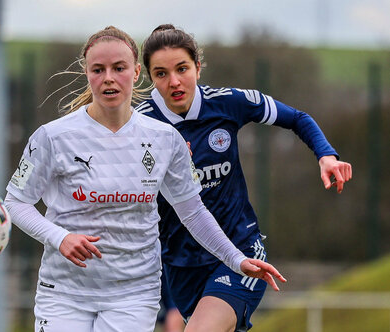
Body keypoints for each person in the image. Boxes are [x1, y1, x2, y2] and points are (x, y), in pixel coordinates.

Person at [4, 26, 285, 332]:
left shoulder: (165, 138)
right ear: (87, 73)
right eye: (98, 69)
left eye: (119, 68)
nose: (109, 77)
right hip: (65, 293)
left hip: (133, 294)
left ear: (137, 72)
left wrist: (235, 259)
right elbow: (16, 203)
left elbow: (192, 212)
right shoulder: (53, 137)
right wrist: (60, 237)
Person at [135, 24, 353, 332]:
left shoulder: (228, 103)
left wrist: (326, 155)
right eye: (161, 74)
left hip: (240, 251)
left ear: (198, 67)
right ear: (149, 77)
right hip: (180, 265)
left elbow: (297, 118)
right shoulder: (139, 125)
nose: (174, 82)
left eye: (182, 68)